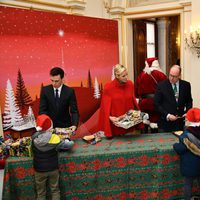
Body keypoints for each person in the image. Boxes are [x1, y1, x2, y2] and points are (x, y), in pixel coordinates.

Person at [32, 114, 74, 200]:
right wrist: (68, 140)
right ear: (50, 126)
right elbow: (69, 145)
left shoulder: (34, 138)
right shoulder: (55, 138)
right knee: (55, 190)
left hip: (39, 170)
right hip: (53, 168)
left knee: (40, 193)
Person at [98, 64, 142, 138]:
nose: (126, 78)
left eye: (126, 75)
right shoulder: (108, 87)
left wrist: (138, 114)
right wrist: (110, 117)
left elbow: (133, 103)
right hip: (116, 125)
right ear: (117, 76)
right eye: (123, 76)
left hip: (129, 123)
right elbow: (104, 107)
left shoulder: (130, 84)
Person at [39, 67, 79, 132]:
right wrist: (47, 125)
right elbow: (42, 111)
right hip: (50, 127)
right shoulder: (45, 90)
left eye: (56, 81)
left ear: (62, 79)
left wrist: (74, 125)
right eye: (52, 80)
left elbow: (74, 111)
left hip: (65, 127)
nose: (54, 83)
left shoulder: (70, 91)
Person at [154, 65, 193, 132]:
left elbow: (189, 101)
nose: (171, 78)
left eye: (174, 76)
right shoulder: (161, 85)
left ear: (179, 75)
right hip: (165, 124)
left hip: (180, 123)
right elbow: (156, 104)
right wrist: (168, 115)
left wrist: (187, 112)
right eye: (170, 75)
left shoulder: (186, 85)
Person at [173, 108, 200, 200]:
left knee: (188, 184)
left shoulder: (186, 135)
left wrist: (175, 145)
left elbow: (180, 149)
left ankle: (187, 198)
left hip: (189, 166)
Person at [135, 57, 167, 133]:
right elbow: (166, 89)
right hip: (155, 103)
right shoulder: (161, 74)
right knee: (154, 123)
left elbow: (136, 89)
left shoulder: (141, 75)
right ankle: (155, 139)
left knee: (145, 120)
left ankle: (143, 136)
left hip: (143, 103)